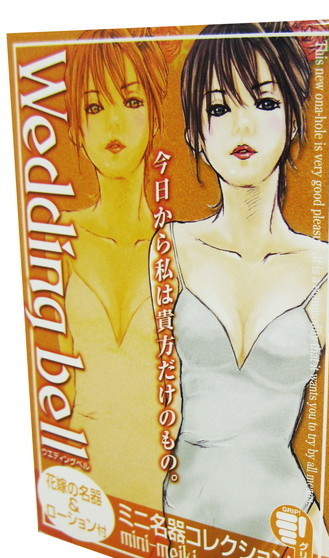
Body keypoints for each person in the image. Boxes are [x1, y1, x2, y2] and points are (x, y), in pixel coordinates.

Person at [152, 23, 329, 551]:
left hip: (291, 531)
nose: (242, 125)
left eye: (264, 102)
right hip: (181, 522)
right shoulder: (170, 249)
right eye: (218, 107)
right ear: (195, 131)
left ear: (293, 117)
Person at [62, 28, 172, 508]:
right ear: (76, 127)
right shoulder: (57, 238)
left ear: (153, 113)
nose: (113, 122)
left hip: (167, 486)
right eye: (93, 106)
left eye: (130, 101)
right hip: (80, 484)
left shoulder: (184, 247)